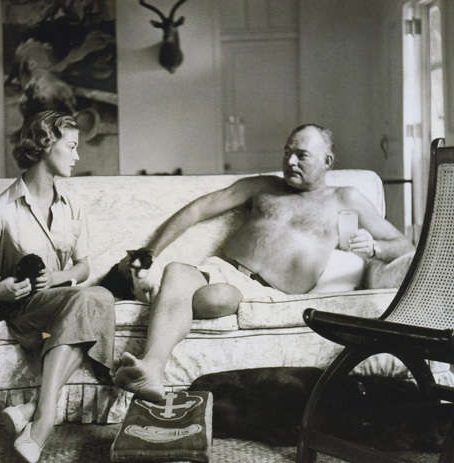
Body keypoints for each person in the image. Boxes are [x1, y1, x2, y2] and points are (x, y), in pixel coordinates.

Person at [113, 123, 415, 402]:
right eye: (287, 152)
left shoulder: (346, 199)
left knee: (216, 297)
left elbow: (403, 246)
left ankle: (157, 297)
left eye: (301, 155)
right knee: (176, 271)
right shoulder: (264, 186)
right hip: (222, 269)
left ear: (328, 161)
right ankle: (151, 369)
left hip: (265, 293)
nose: (290, 161)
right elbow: (199, 210)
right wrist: (150, 250)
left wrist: (374, 247)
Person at [0, 110, 115, 463]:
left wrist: (56, 278)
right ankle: (45, 420)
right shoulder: (0, 209)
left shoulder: (73, 206)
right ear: (44, 143)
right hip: (27, 314)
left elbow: (83, 267)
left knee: (96, 296)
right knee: (92, 300)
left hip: (64, 307)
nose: (77, 156)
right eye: (71, 146)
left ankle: (35, 411)